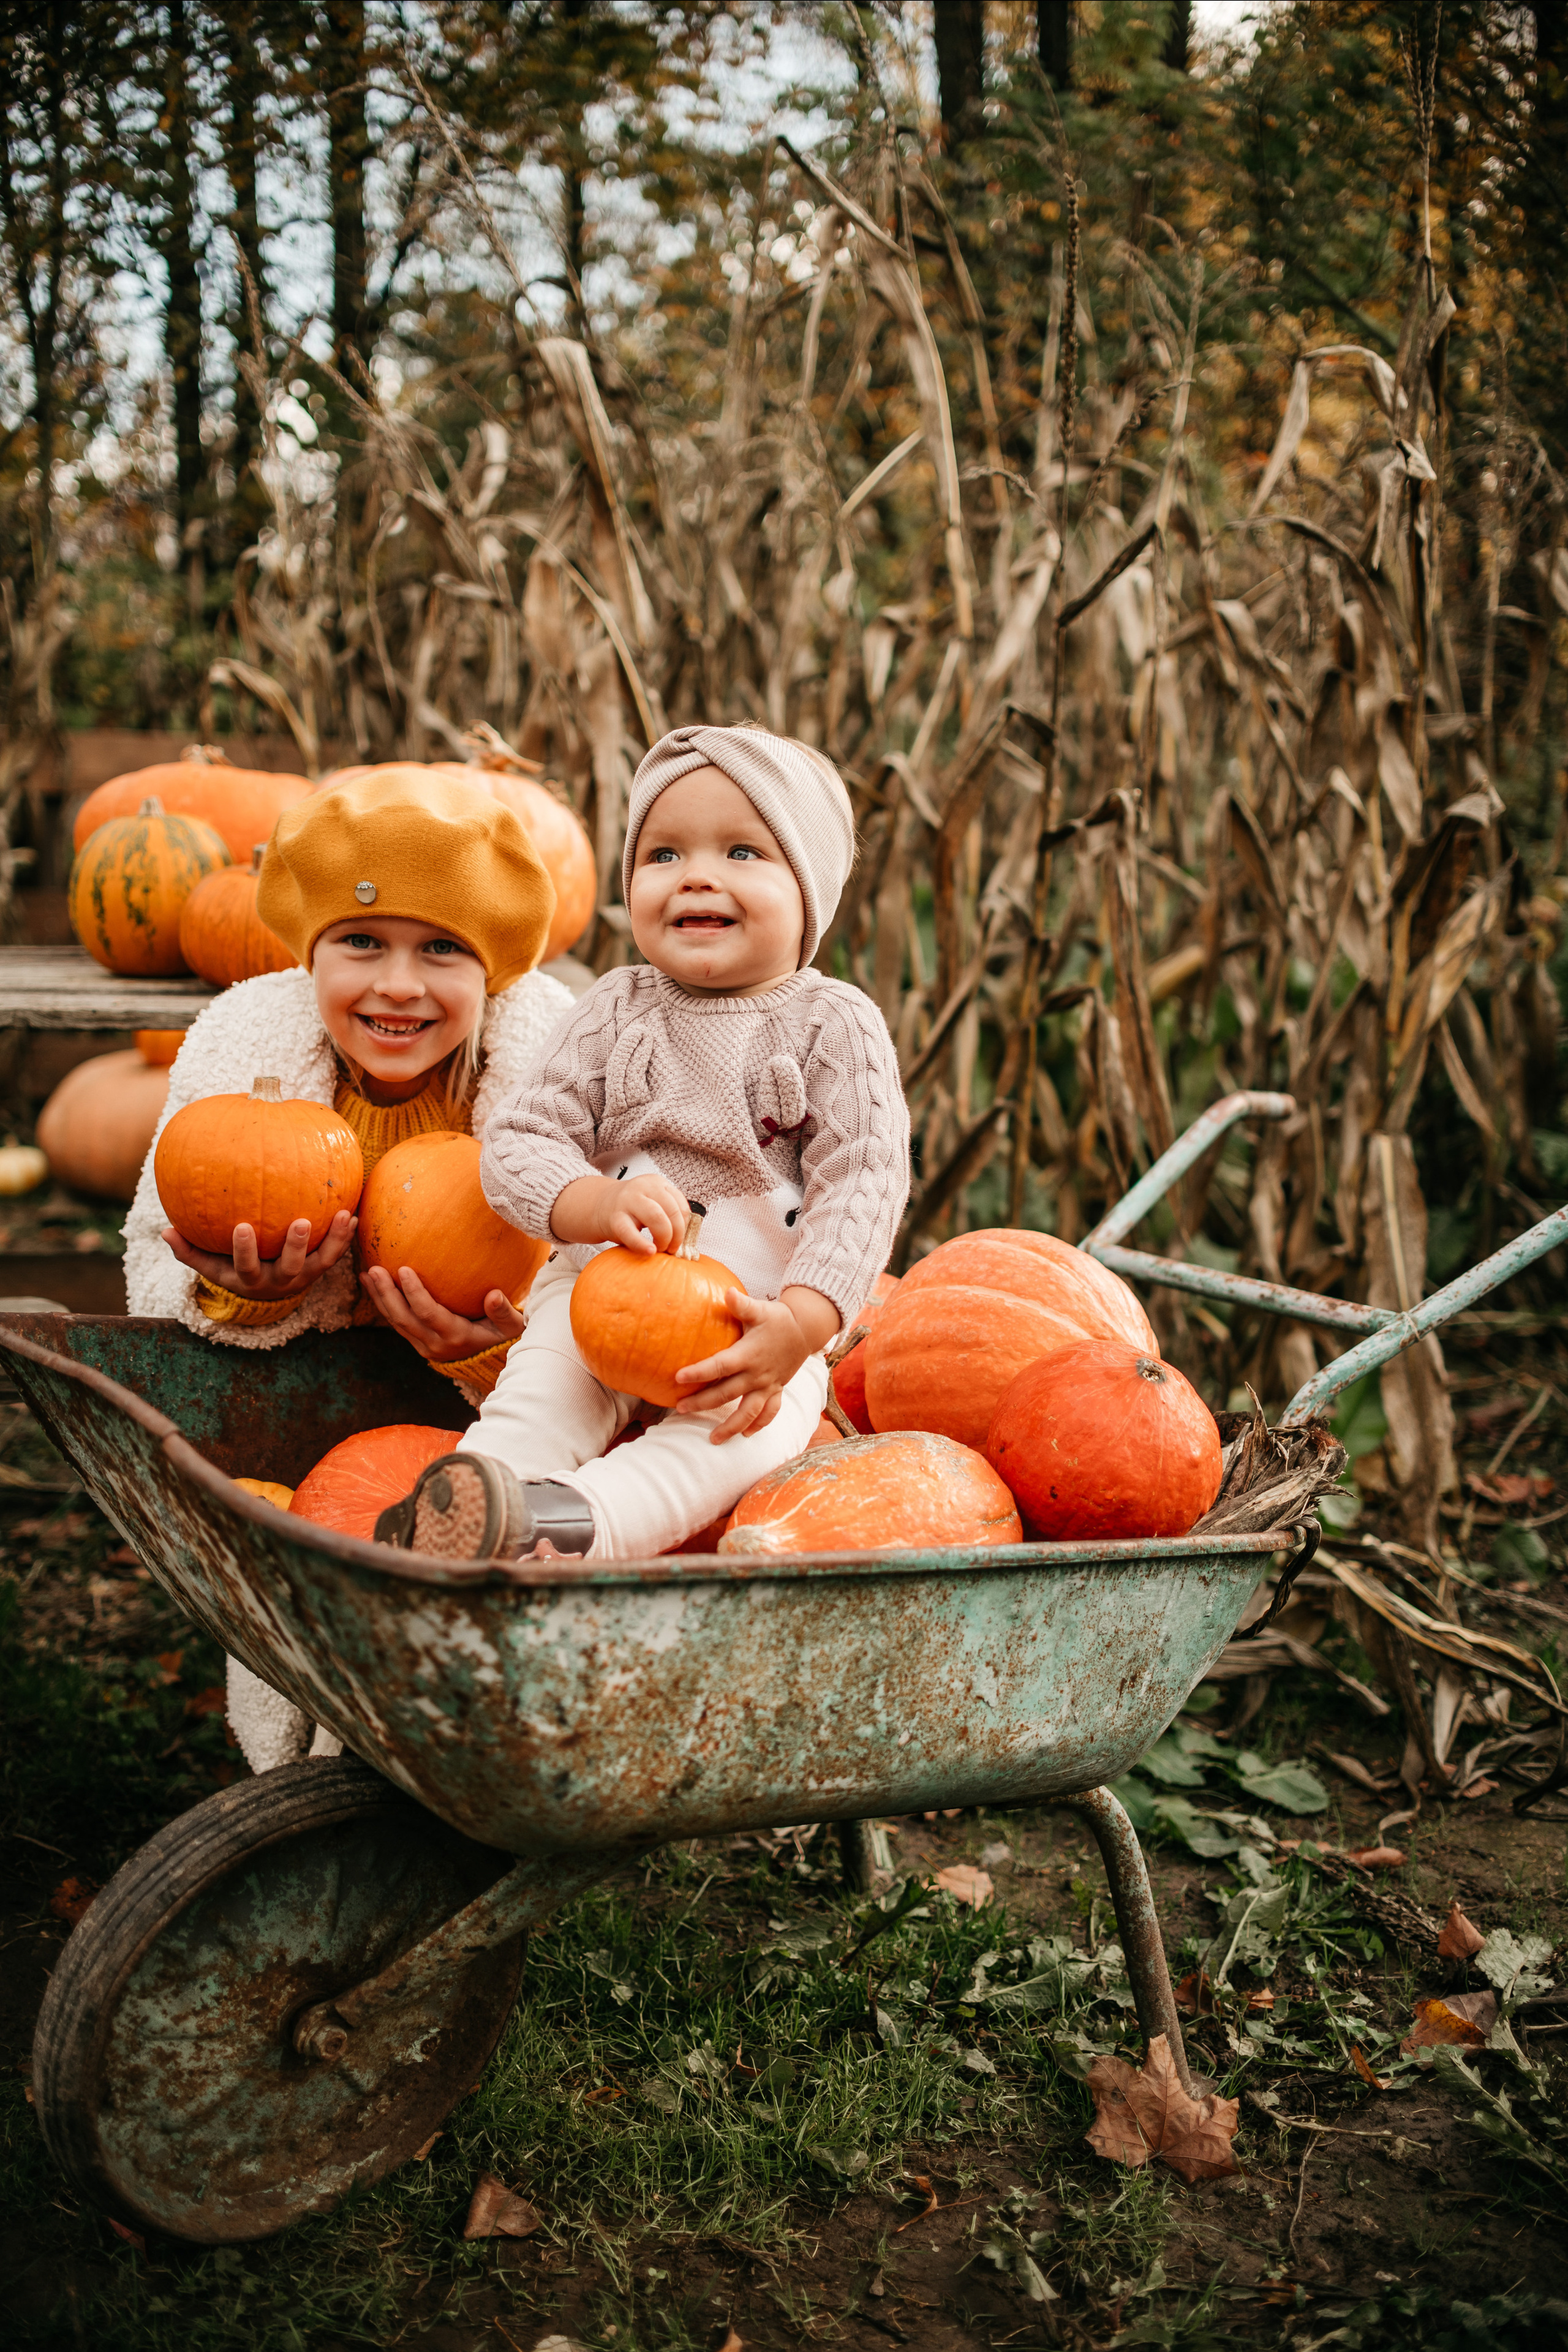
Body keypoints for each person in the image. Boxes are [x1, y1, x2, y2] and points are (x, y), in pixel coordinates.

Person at [373, 723, 911, 1567]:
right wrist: (594, 1203)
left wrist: (801, 1328)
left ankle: (575, 1523)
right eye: (663, 854)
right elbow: (521, 1140)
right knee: (536, 1401)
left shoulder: (833, 1024)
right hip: (601, 1291)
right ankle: (466, 1510)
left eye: (743, 852)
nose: (697, 874)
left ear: (811, 889)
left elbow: (863, 1182)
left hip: (754, 1319)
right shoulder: (617, 1008)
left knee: (734, 1445)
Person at [123, 767, 575, 1767]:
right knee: (311, 1546)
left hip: (481, 1427)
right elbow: (153, 1260)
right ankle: (316, 1749)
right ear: (310, 953)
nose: (399, 984)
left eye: (442, 950)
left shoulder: (544, 1080)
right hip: (291, 1403)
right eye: (362, 942)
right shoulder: (245, 1053)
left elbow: (591, 1299)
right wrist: (239, 1296)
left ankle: (448, 1752)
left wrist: (493, 1355)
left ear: (494, 975)